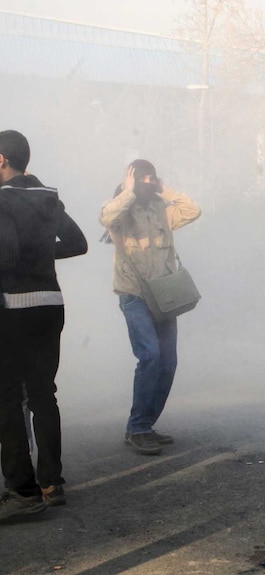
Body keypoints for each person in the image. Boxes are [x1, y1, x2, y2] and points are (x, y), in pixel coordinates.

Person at [0, 129, 88, 521]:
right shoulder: (47, 196)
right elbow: (76, 243)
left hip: (13, 308)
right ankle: (52, 484)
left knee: (6, 399)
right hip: (50, 305)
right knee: (43, 394)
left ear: (1, 160)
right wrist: (42, 255)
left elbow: (6, 253)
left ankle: (23, 490)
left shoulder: (2, 200)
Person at [99, 160, 201, 456]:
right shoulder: (120, 206)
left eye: (150, 177)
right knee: (150, 355)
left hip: (165, 296)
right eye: (140, 177)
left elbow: (193, 211)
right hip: (134, 294)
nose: (146, 182)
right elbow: (107, 217)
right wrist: (129, 191)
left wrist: (164, 189)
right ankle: (139, 427)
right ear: (130, 180)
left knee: (168, 362)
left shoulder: (160, 208)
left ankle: (144, 424)